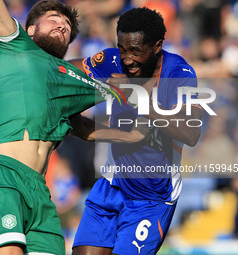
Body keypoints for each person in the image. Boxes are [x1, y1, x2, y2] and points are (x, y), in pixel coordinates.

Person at [0, 1, 148, 255]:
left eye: (66, 26)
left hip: (40, 189)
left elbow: (79, 126)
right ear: (30, 29)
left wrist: (128, 135)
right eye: (54, 19)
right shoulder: (16, 46)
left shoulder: (67, 80)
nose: (62, 26)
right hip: (3, 174)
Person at [70, 7, 203, 255]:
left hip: (151, 197)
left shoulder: (179, 74)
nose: (127, 59)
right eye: (122, 49)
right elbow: (67, 71)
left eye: (135, 51)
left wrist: (135, 97)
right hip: (111, 184)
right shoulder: (112, 61)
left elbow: (190, 132)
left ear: (157, 46)